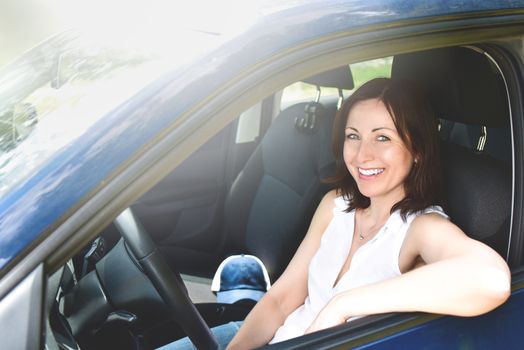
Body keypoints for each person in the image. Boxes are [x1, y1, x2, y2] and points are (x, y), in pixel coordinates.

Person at [161, 77, 511, 350]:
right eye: (353, 136)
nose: (362, 155)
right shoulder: (335, 204)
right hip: (279, 334)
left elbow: (491, 280)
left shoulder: (421, 228)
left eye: (383, 138)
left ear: (417, 150)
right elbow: (282, 299)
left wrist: (341, 306)